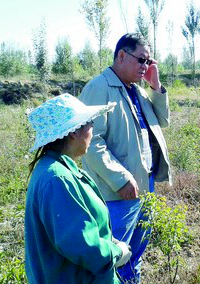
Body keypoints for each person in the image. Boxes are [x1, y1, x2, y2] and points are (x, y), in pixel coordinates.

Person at [79, 33, 171, 283]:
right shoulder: (99, 88)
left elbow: (163, 120)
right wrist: (120, 180)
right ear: (121, 55)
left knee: (135, 253)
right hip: (116, 191)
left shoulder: (137, 91)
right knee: (116, 256)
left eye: (149, 62)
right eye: (141, 60)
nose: (145, 67)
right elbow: (91, 141)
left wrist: (155, 85)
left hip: (143, 185)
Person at [24, 93, 132, 284]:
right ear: (74, 132)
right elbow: (81, 245)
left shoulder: (56, 170)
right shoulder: (58, 179)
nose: (92, 128)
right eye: (89, 122)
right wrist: (117, 253)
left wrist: (109, 242)